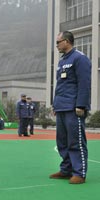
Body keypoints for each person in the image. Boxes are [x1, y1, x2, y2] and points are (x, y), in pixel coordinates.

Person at [50, 31, 91, 184]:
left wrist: (81, 104)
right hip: (62, 106)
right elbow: (60, 85)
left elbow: (84, 83)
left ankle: (79, 173)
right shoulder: (62, 61)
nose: (57, 45)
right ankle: (66, 169)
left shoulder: (80, 58)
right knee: (62, 141)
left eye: (58, 42)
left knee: (76, 141)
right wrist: (55, 104)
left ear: (67, 42)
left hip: (74, 107)